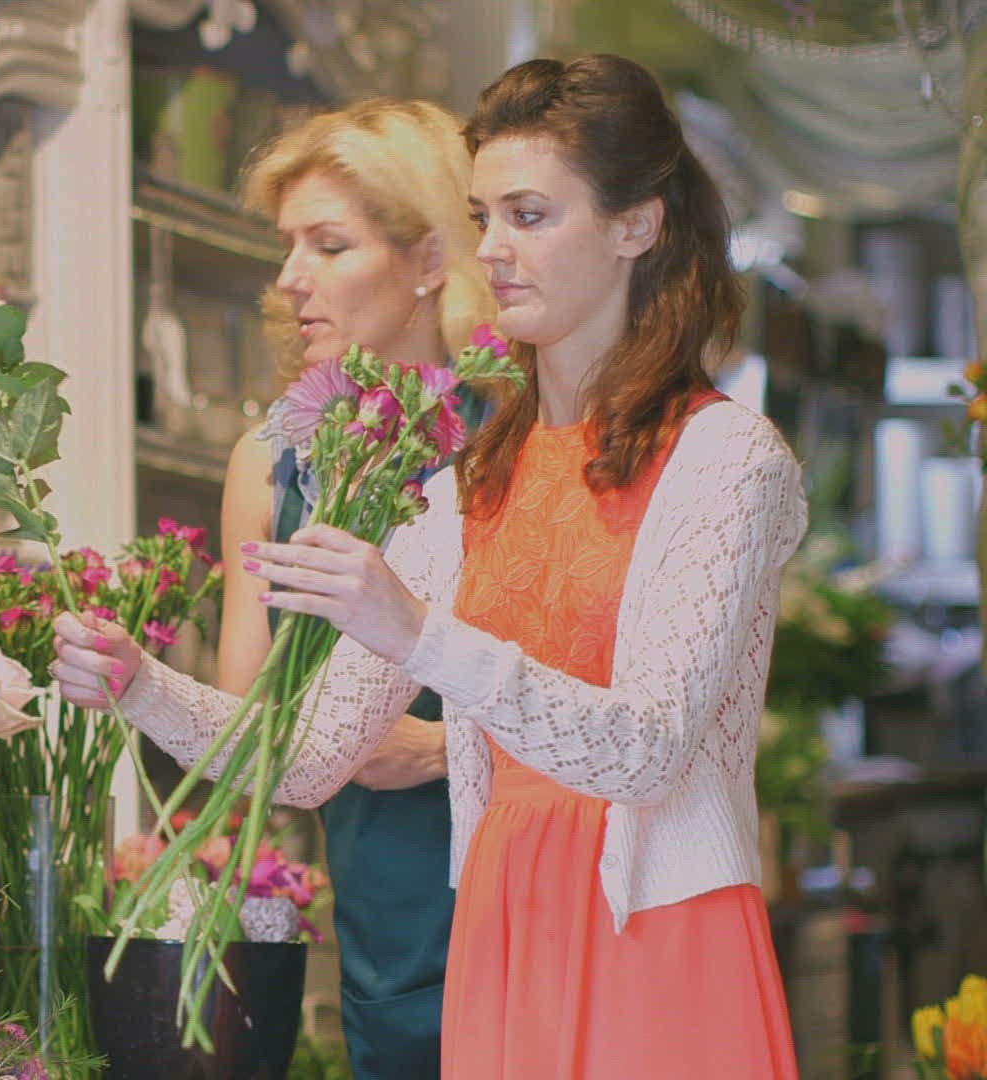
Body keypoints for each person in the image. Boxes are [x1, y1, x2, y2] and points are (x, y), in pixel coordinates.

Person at [55, 54, 804, 1077]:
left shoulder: (726, 458)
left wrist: (417, 633)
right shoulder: (473, 482)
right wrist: (139, 684)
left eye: (529, 216)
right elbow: (308, 761)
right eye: (483, 217)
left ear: (637, 225)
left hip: (656, 930)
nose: (490, 250)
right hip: (500, 928)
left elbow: (648, 753)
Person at [170, 99, 495, 1077]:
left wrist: (441, 747)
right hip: (379, 910)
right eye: (288, 246)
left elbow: (618, 705)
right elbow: (246, 723)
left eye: (328, 244)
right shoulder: (270, 463)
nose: (289, 277)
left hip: (520, 887)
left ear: (429, 258)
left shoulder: (521, 443)